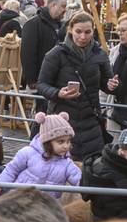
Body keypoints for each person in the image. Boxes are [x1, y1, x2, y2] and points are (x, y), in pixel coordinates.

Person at [36, 11, 114, 161]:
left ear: (93, 31)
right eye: (78, 31)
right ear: (70, 29)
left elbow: (106, 83)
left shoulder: (100, 54)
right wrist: (58, 93)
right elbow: (41, 84)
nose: (83, 37)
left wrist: (111, 85)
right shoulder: (56, 54)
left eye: (87, 32)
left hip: (91, 121)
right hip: (62, 121)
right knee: (61, 168)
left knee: (91, 169)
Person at [0, 112, 82, 199]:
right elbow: (11, 170)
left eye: (68, 141)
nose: (66, 146)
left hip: (45, 206)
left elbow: (79, 179)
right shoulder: (28, 153)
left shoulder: (67, 164)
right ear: (47, 141)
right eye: (61, 142)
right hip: (20, 200)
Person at [20, 0, 66, 136]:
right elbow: (28, 54)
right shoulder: (33, 24)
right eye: (63, 6)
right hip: (42, 79)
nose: (65, 10)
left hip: (57, 79)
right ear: (52, 5)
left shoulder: (60, 26)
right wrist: (32, 79)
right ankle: (35, 144)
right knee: (42, 115)